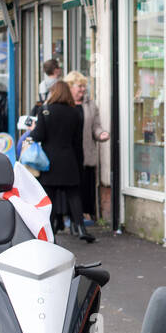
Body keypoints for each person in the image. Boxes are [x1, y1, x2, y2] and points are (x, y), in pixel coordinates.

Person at [30, 79, 93, 243]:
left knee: (48, 198)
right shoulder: (75, 113)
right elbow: (77, 141)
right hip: (69, 159)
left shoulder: (45, 111)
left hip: (49, 161)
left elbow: (38, 136)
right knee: (73, 195)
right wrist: (79, 162)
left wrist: (32, 129)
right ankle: (81, 228)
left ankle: (50, 232)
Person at [67, 71, 108, 224]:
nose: (83, 89)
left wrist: (101, 134)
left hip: (86, 151)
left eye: (84, 86)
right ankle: (71, 216)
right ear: (70, 87)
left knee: (86, 184)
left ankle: (86, 215)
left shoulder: (90, 104)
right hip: (70, 152)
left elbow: (96, 126)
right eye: (80, 86)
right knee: (71, 185)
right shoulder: (64, 104)